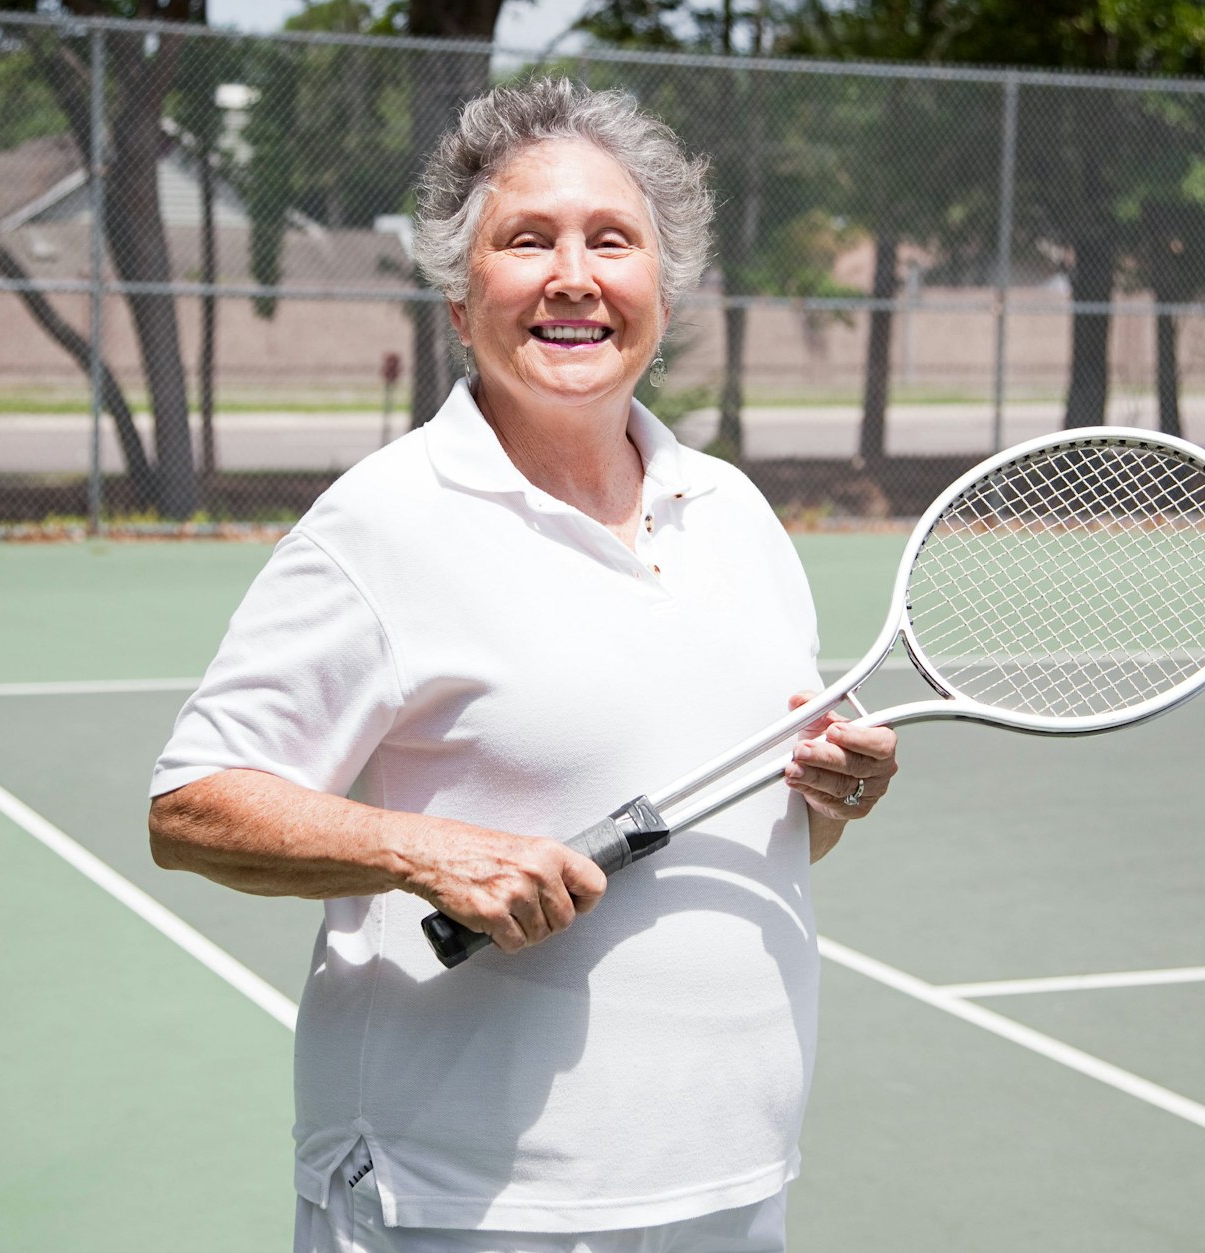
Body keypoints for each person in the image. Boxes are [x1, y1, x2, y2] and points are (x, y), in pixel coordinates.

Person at [147, 78, 899, 1253]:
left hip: (730, 1185)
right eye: (525, 241)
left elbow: (779, 828)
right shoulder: (383, 524)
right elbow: (190, 804)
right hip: (461, 1202)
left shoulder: (736, 513)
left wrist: (834, 796)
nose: (573, 277)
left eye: (612, 240)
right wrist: (422, 849)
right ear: (459, 297)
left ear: (662, 284)